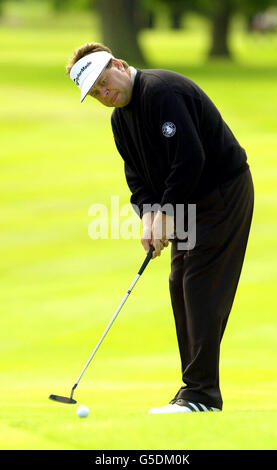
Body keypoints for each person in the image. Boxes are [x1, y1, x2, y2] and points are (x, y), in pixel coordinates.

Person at [66, 42, 254, 413]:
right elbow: (138, 178)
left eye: (106, 82)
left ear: (118, 64)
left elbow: (190, 158)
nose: (106, 93)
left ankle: (201, 394)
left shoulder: (161, 92)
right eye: (98, 93)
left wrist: (165, 212)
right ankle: (194, 390)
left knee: (198, 284)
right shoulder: (120, 119)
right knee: (179, 282)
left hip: (221, 192)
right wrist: (149, 217)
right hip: (188, 200)